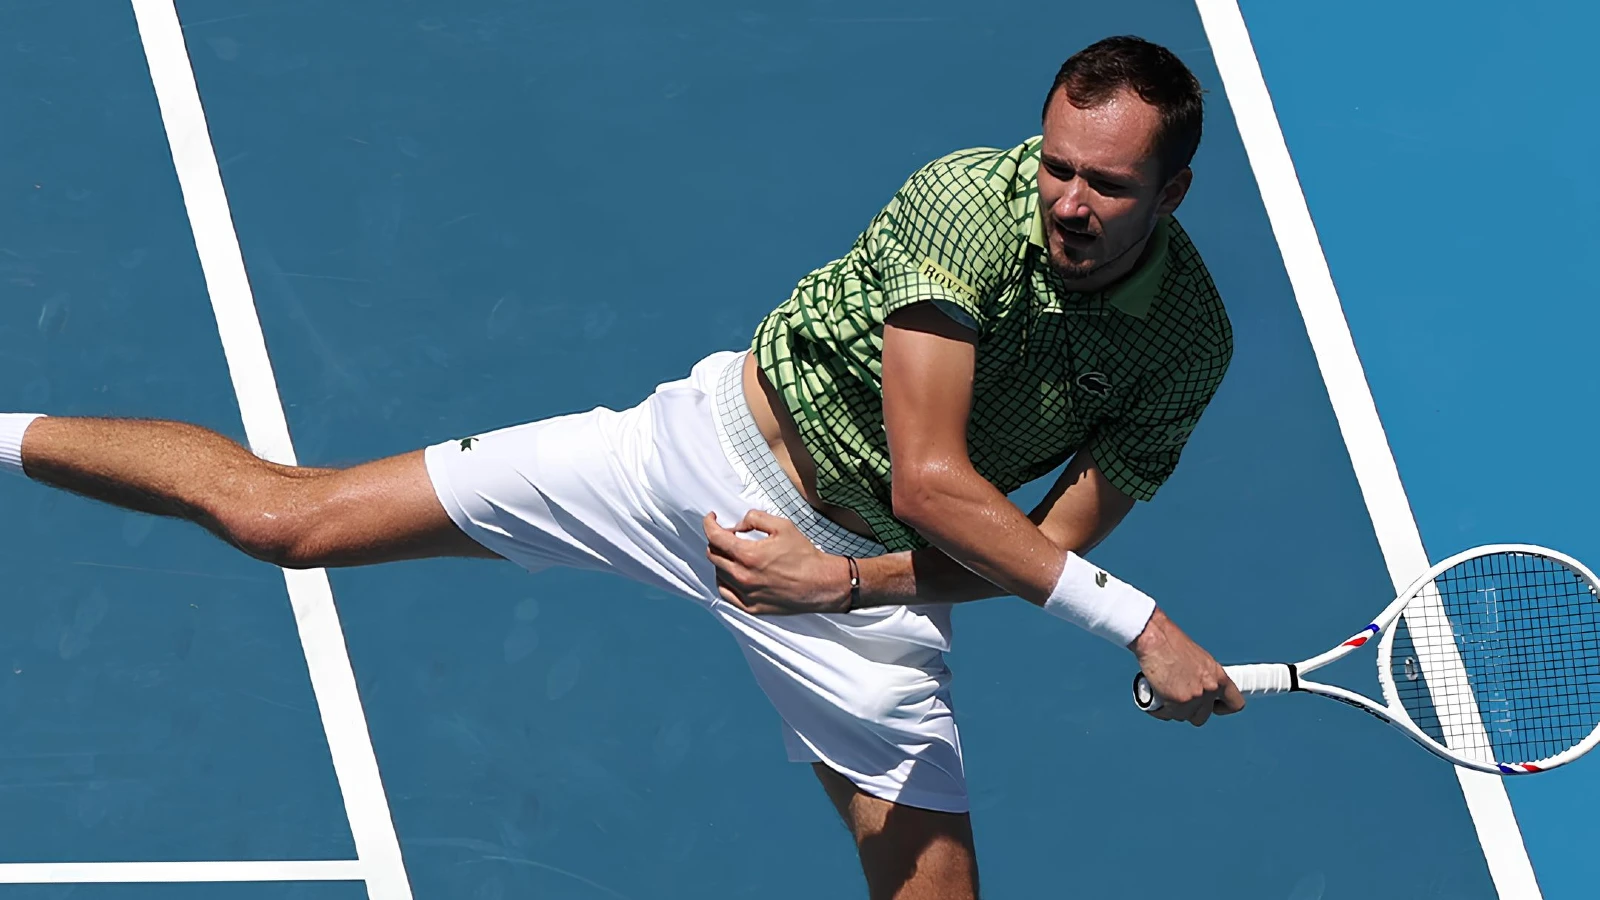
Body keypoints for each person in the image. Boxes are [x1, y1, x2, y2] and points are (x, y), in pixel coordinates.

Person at [0, 34, 1244, 900]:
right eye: (1056, 165)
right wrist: (1140, 627)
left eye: (1107, 184)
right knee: (289, 522)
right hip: (699, 454)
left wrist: (845, 587)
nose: (1068, 203)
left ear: (1173, 191)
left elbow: (1047, 547)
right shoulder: (969, 208)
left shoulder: (1186, 345)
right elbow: (935, 480)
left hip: (860, 583)